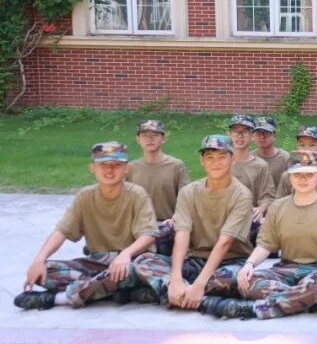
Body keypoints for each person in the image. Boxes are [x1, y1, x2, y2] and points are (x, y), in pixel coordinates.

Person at [204, 151, 317, 319]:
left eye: (309, 175)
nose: (303, 179)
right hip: (285, 269)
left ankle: (251, 309)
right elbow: (266, 244)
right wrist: (249, 265)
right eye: (297, 174)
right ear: (289, 177)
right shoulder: (278, 207)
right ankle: (310, 301)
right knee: (243, 279)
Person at [14, 142, 158, 310]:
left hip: (130, 261)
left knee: (129, 272)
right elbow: (62, 231)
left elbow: (148, 234)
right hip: (97, 262)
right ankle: (112, 290)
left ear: (126, 168)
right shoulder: (85, 196)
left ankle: (58, 298)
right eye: (103, 164)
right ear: (92, 168)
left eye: (116, 165)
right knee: (44, 272)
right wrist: (39, 259)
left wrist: (126, 254)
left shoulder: (137, 194)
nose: (109, 170)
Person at [130, 135, 254, 309]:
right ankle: (187, 294)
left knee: (234, 278)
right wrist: (176, 279)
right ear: (202, 161)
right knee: (144, 261)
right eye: (210, 157)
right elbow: (182, 235)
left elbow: (225, 243)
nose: (216, 163)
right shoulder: (189, 192)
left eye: (222, 157)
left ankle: (173, 294)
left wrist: (200, 283)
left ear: (232, 159)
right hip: (196, 260)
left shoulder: (242, 195)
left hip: (230, 261)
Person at [126, 119, 189, 254]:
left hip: (167, 227)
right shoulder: (130, 168)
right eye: (145, 135)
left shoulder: (176, 166)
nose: (150, 139)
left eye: (155, 135)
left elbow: (187, 200)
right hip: (138, 227)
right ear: (138, 139)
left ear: (164, 138)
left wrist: (176, 217)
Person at [226, 114, 274, 242]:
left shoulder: (260, 166)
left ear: (252, 135)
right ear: (229, 134)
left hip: (249, 218)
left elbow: (268, 196)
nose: (240, 135)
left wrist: (261, 208)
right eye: (236, 131)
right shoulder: (222, 162)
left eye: (245, 132)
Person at [253, 117, 290, 187]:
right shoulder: (249, 157)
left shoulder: (286, 159)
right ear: (253, 137)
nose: (262, 136)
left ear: (274, 137)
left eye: (266, 133)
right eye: (258, 133)